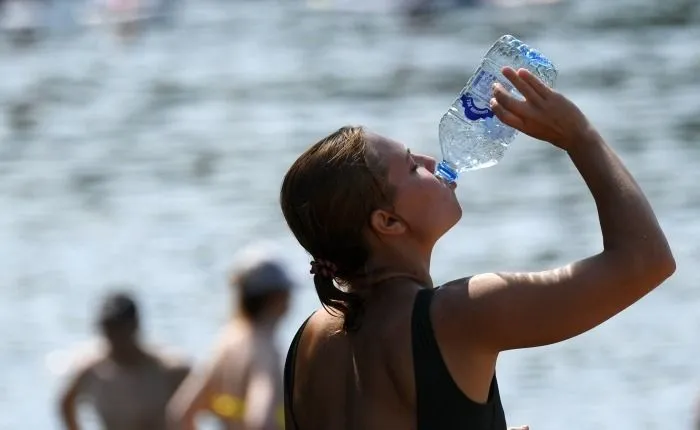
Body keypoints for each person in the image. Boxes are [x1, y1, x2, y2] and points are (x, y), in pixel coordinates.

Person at [279, 66, 676, 430]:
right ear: (388, 222)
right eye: (413, 166)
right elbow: (646, 260)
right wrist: (579, 136)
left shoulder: (310, 341)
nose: (431, 160)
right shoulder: (459, 314)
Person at [167, 241, 294, 430]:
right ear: (278, 297)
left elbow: (180, 413)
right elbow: (260, 421)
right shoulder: (265, 350)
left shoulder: (225, 343)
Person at [58, 291, 191, 430]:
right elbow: (65, 404)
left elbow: (206, 406)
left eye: (120, 334)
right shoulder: (94, 372)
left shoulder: (170, 370)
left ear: (135, 326)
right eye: (109, 334)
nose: (115, 343)